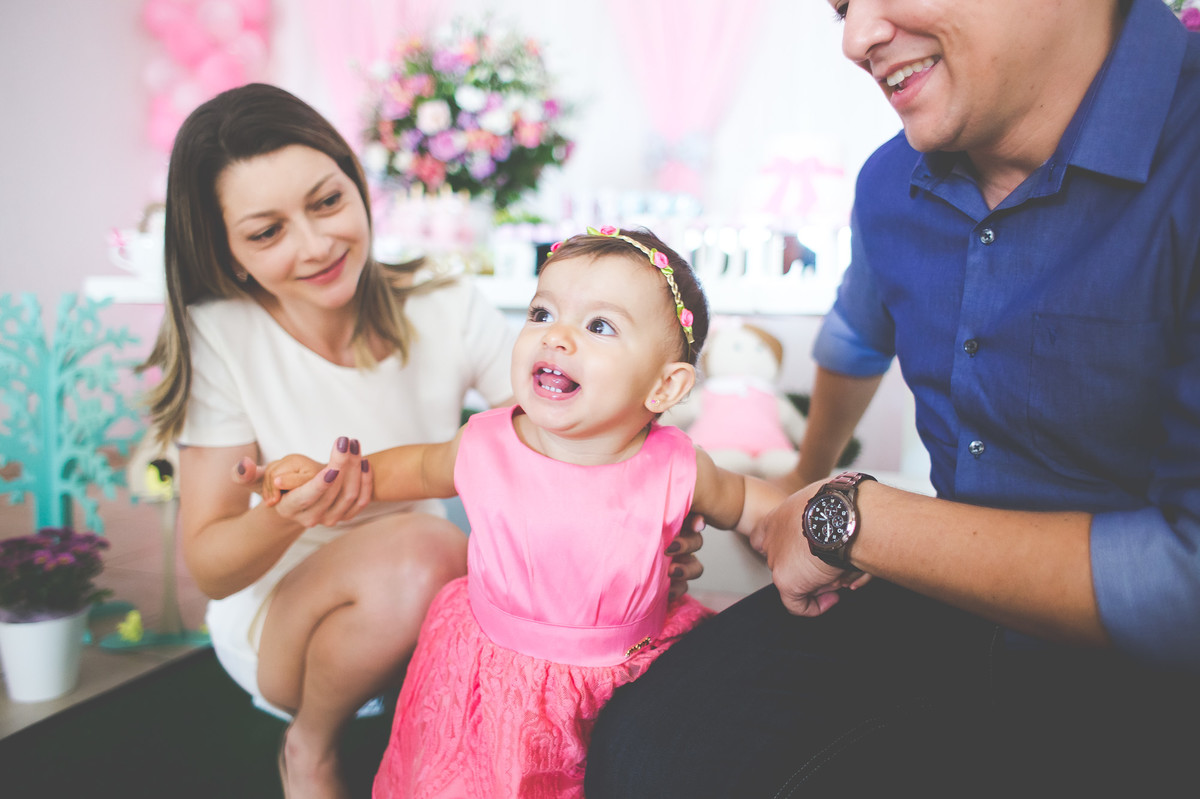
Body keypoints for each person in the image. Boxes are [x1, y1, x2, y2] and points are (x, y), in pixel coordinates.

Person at [585, 1, 1200, 796]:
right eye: (840, 6)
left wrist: (853, 517)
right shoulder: (890, 181)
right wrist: (794, 499)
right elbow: (853, 337)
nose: (854, 38)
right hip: (964, 614)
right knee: (650, 745)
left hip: (1155, 674)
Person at [253, 227, 793, 798]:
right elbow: (408, 470)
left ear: (664, 385)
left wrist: (810, 537)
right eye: (542, 313)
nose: (556, 337)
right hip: (488, 686)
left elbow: (757, 510)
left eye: (599, 326)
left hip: (631, 680)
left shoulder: (680, 466)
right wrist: (326, 475)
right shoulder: (486, 442)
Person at [140, 82, 516, 799]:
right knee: (428, 548)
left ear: (357, 184)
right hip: (287, 625)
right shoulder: (221, 335)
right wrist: (288, 513)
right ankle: (309, 745)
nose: (316, 245)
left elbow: (562, 428)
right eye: (266, 232)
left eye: (326, 202)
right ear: (228, 252)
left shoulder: (447, 303)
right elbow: (214, 568)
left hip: (431, 603)